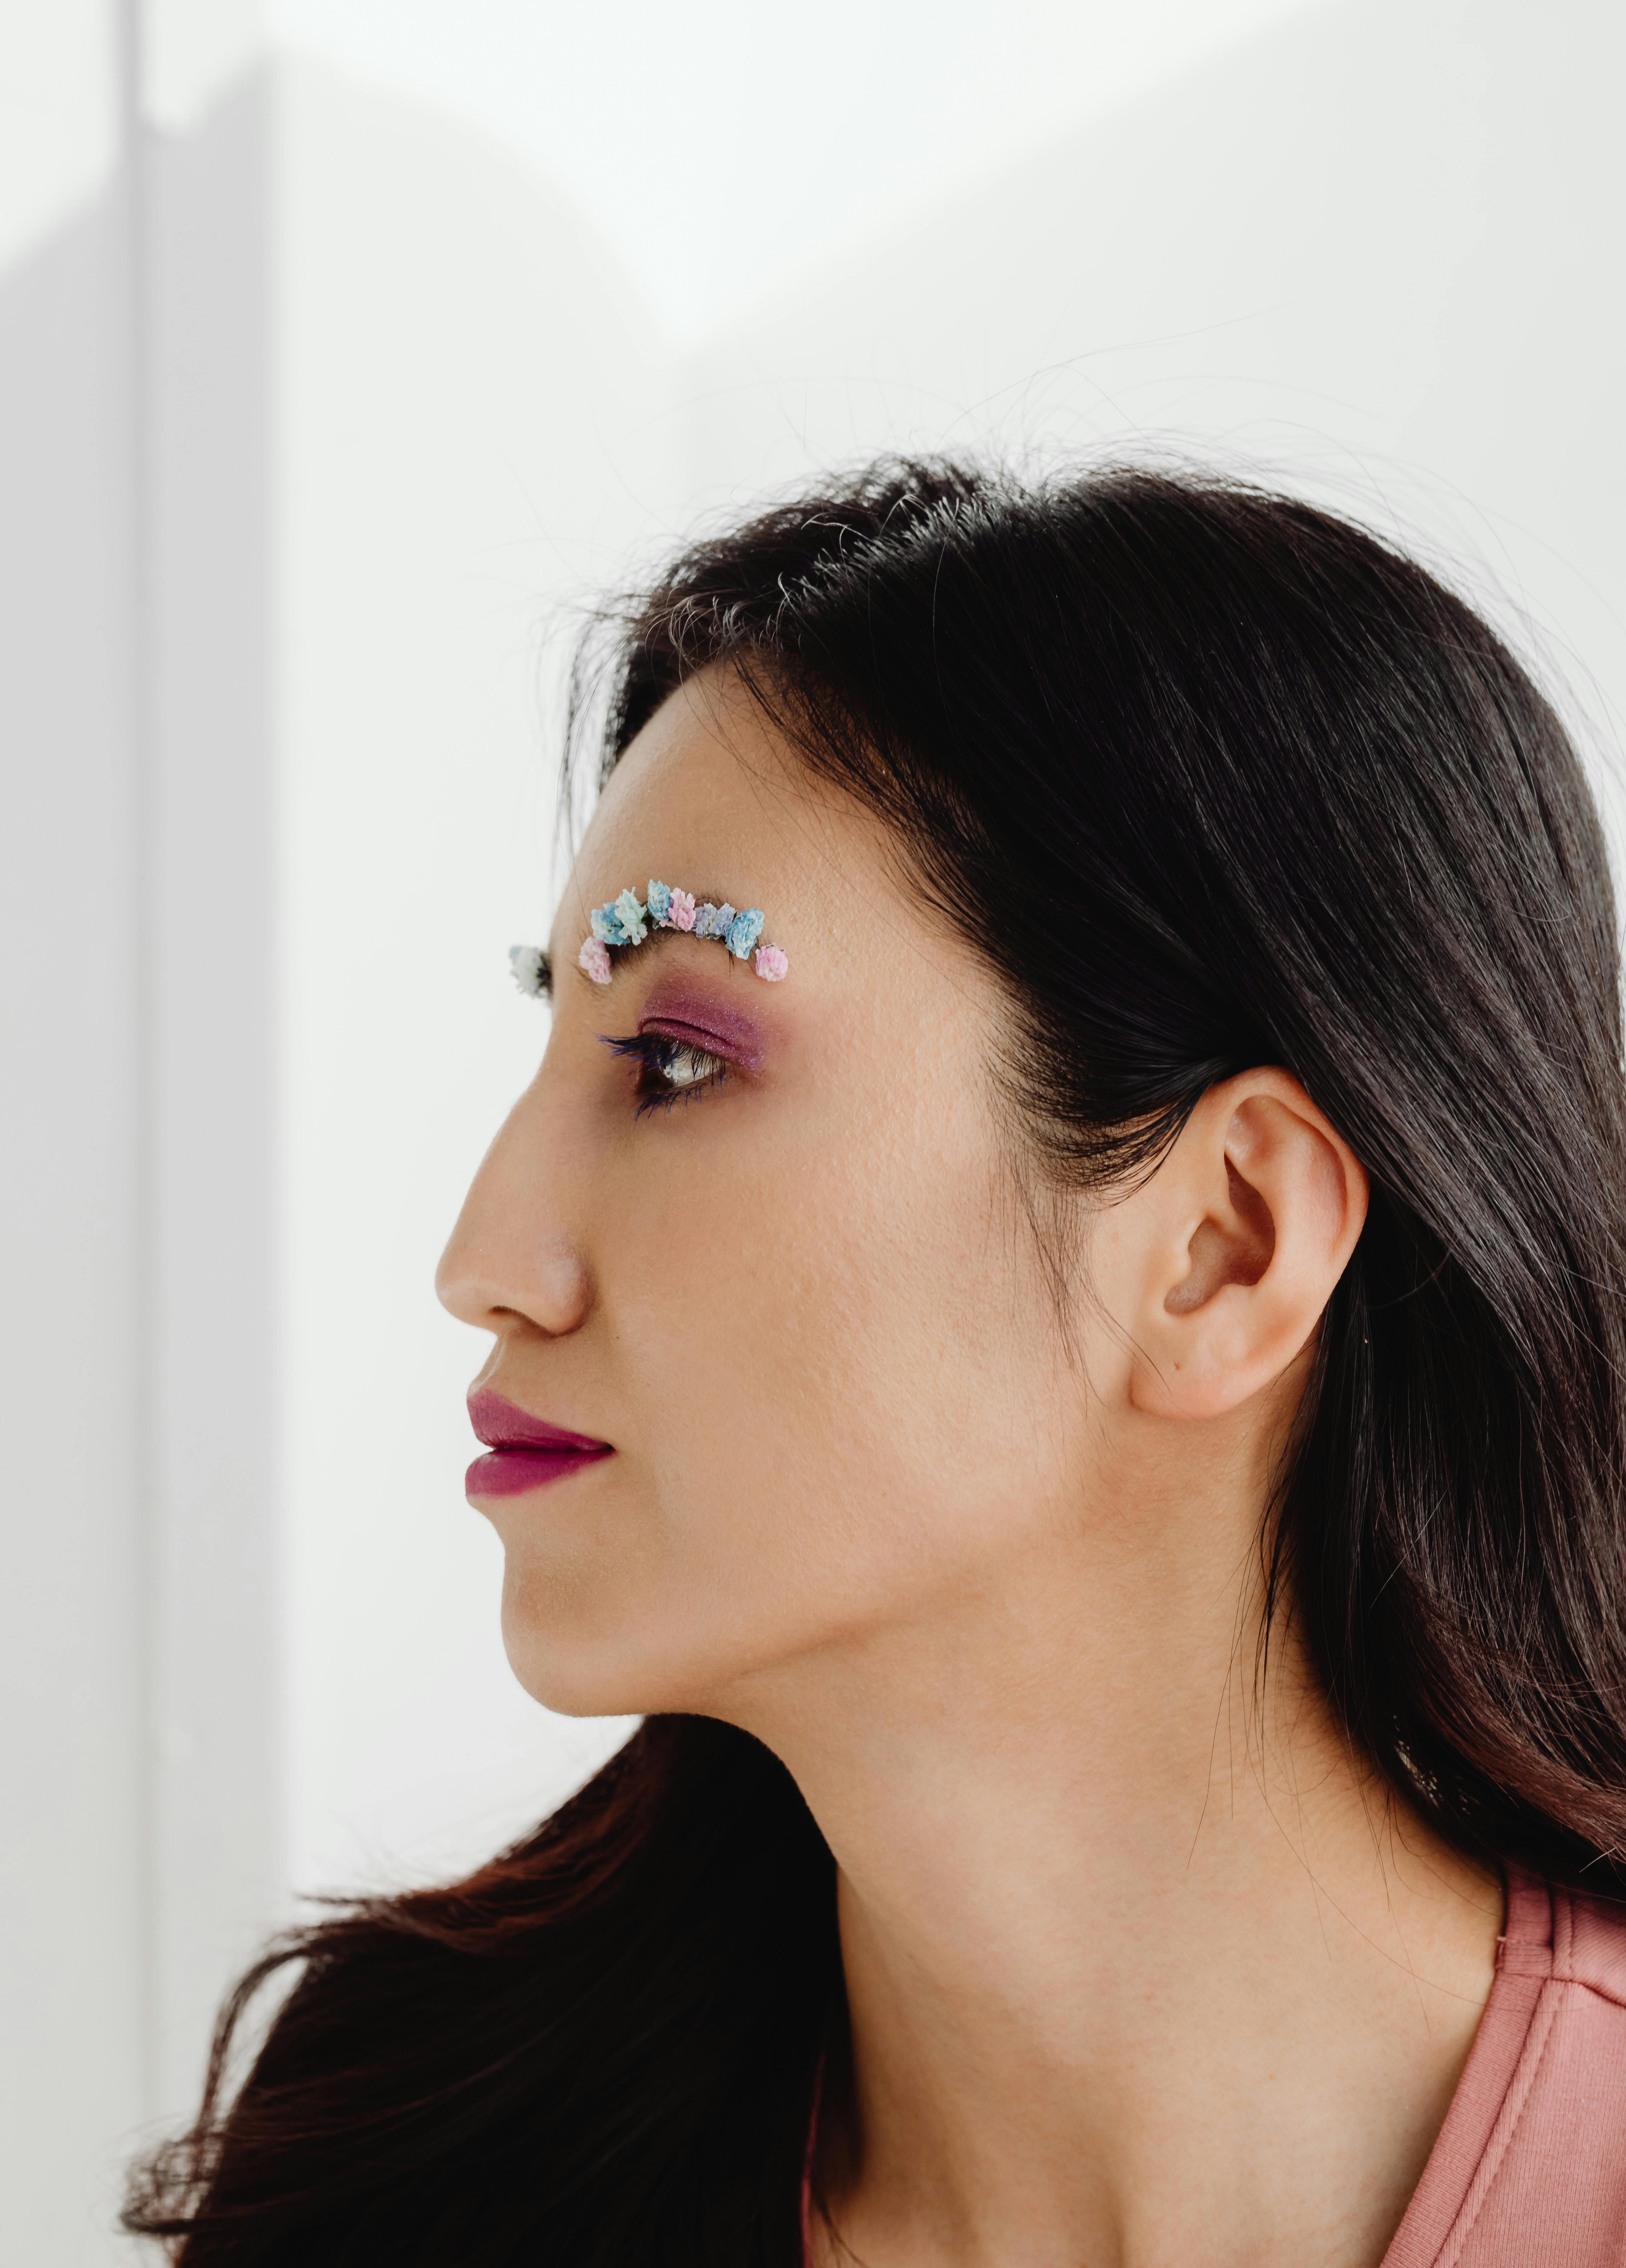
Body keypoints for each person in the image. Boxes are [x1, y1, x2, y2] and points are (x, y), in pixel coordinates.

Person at [126, 459, 1626, 2266]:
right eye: (562, 1039)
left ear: (1223, 1244)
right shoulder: (402, 2166)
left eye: (674, 1060)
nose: (485, 1266)